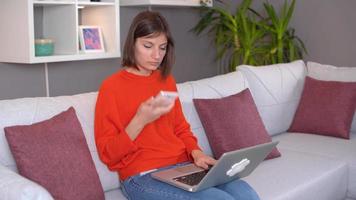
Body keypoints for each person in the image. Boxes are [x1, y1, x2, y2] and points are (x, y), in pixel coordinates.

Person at [94, 11, 260, 200]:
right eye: (148, 46)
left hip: (183, 167)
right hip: (142, 176)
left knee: (246, 193)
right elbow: (108, 154)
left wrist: (197, 153)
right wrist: (139, 120)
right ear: (132, 43)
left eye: (162, 48)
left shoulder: (166, 81)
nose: (156, 55)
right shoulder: (111, 87)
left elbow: (181, 128)